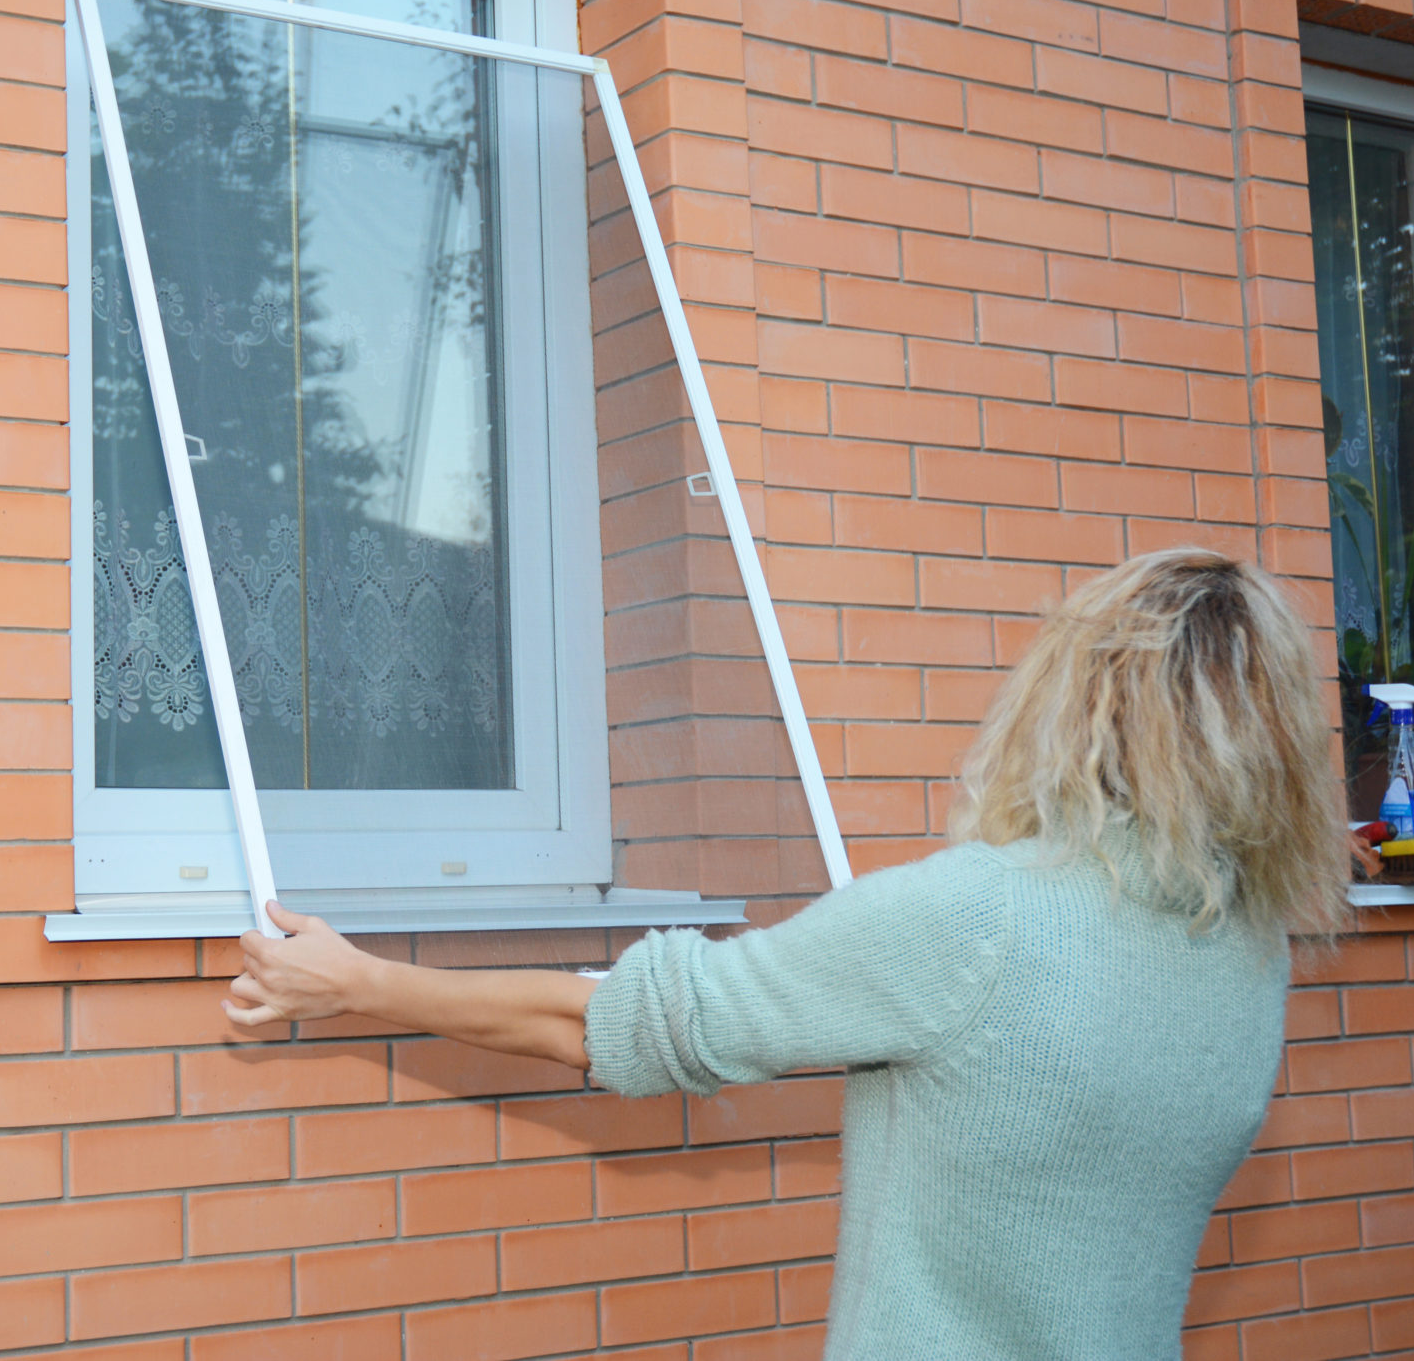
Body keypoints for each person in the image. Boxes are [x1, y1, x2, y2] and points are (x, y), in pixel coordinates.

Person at [225, 548, 1350, 1360]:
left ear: (1078, 704)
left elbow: (615, 1023)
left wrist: (357, 982)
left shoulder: (981, 921)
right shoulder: (1248, 955)